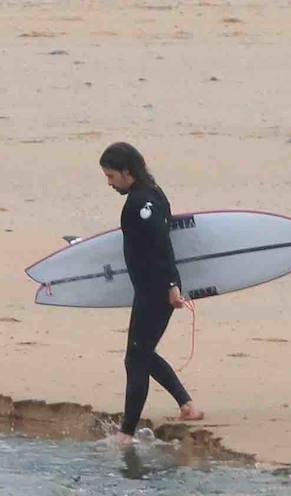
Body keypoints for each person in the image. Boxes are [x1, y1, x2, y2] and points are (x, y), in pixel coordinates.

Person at [98, 142, 204, 446]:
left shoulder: (140, 205)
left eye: (111, 176)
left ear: (127, 172)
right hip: (151, 288)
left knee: (136, 358)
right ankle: (187, 406)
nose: (109, 183)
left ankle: (125, 434)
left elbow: (161, 245)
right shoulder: (152, 193)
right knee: (143, 352)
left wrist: (172, 286)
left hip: (155, 290)